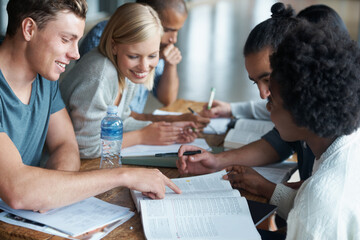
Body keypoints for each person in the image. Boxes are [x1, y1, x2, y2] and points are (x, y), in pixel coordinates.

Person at [0, 0, 180, 212]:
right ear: (29, 29)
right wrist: (124, 176)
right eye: (66, 39)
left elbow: (65, 144)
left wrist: (53, 192)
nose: (76, 54)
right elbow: (19, 190)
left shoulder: (45, 78)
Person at [229, 21, 360, 239]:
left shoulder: (322, 198)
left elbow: (313, 213)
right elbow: (307, 210)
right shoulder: (344, 143)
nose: (267, 108)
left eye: (272, 104)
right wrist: (264, 188)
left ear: (302, 112)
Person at [178, 3, 315, 186]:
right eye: (255, 82)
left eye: (267, 79)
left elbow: (315, 194)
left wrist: (263, 186)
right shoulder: (295, 116)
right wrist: (216, 161)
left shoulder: (328, 127)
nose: (262, 94)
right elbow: (277, 143)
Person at [60, 3, 205, 159]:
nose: (144, 67)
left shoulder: (125, 69)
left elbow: (122, 120)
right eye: (134, 56)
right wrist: (141, 136)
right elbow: (85, 148)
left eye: (152, 56)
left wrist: (169, 132)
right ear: (114, 46)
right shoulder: (100, 76)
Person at [79, 0, 188, 114]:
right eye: (166, 30)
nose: (174, 39)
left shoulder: (157, 46)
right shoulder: (102, 37)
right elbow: (108, 112)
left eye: (151, 56)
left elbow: (167, 99)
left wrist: (170, 64)